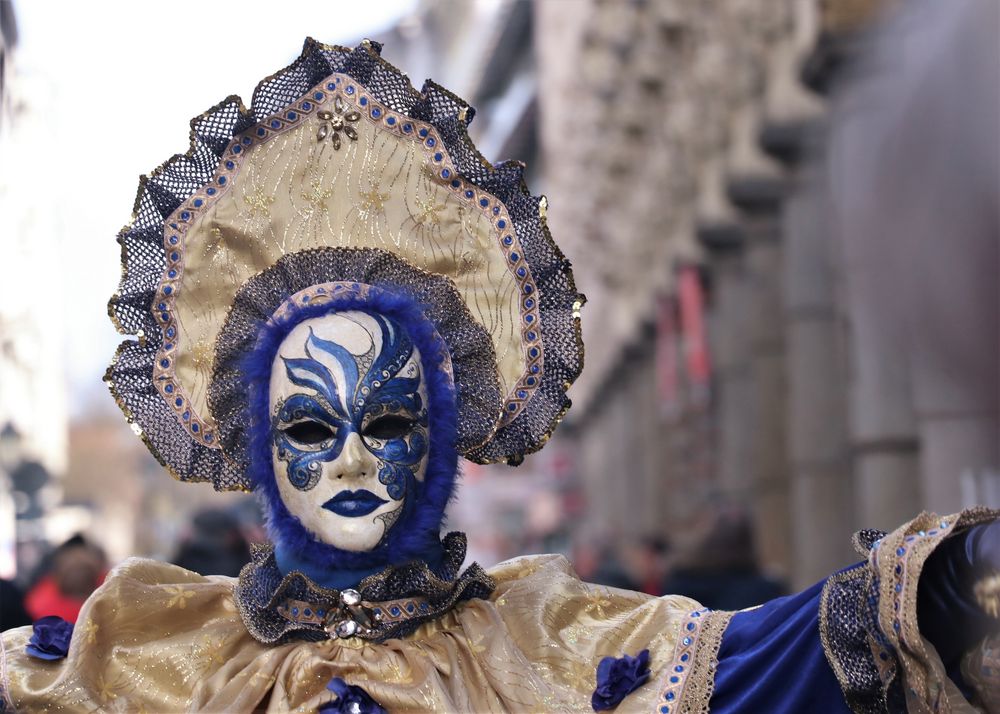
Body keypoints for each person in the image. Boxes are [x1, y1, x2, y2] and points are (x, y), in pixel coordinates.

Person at [0, 39, 996, 713]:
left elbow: (768, 661)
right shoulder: (142, 655)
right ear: (258, 448)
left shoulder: (552, 639)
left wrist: (955, 587)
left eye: (387, 422)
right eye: (309, 428)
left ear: (438, 439)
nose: (350, 457)